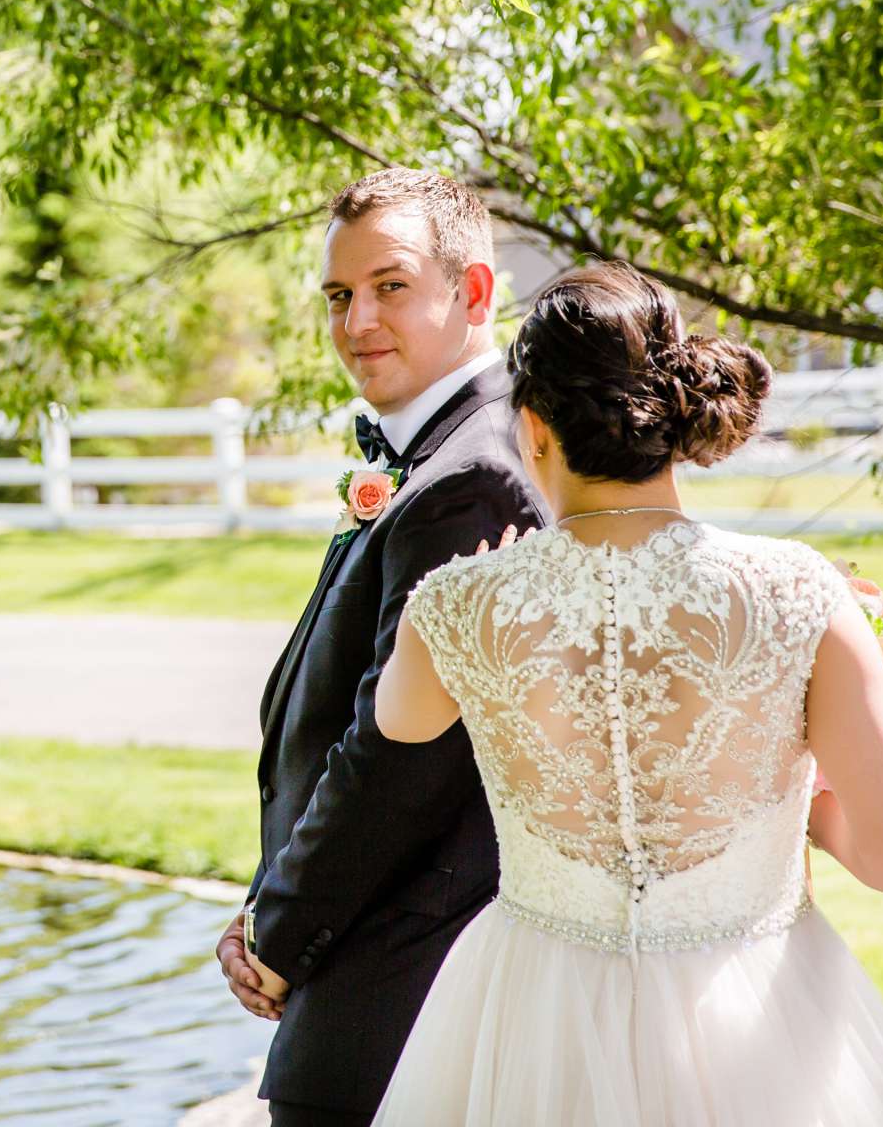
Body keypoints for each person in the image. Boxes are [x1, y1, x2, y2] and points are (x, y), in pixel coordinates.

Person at [370, 261, 883, 1126]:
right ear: (675, 418)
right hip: (753, 1017)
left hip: (531, 1016)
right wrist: (806, 815)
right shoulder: (794, 591)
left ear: (531, 428)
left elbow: (400, 720)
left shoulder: (460, 602)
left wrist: (484, 590)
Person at [221, 168, 547, 1126]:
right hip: (366, 958)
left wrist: (275, 932)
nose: (356, 319)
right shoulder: (435, 459)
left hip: (402, 990)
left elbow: (396, 763)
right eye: (338, 294)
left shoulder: (472, 478)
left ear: (474, 291)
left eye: (390, 286)